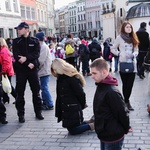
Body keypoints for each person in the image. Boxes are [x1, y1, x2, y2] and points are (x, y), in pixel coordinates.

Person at [90, 58, 130, 150]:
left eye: (94, 73)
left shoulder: (111, 91)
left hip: (112, 135)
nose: (92, 76)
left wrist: (126, 128)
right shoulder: (101, 85)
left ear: (104, 72)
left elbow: (122, 113)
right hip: (104, 132)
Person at [51, 58, 94, 135]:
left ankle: (94, 126)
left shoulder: (71, 78)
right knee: (73, 128)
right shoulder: (61, 78)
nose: (54, 71)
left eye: (55, 69)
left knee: (73, 130)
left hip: (73, 107)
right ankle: (91, 122)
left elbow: (81, 94)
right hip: (67, 108)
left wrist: (81, 105)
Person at [13, 22, 44, 123]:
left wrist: (27, 59)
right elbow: (16, 56)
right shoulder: (16, 41)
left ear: (26, 29)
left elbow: (36, 54)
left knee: (36, 92)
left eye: (20, 29)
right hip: (21, 70)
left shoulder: (34, 41)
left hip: (32, 70)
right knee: (20, 93)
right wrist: (28, 63)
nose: (18, 30)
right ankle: (21, 114)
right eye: (17, 29)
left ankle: (38, 112)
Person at [111, 21, 139, 111]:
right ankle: (126, 102)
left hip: (131, 64)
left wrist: (133, 55)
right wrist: (119, 53)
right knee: (125, 84)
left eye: (130, 27)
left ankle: (126, 101)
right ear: (123, 28)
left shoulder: (133, 37)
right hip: (123, 63)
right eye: (127, 27)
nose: (129, 29)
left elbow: (136, 50)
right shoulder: (119, 38)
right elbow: (113, 48)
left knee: (130, 85)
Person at [35, 32, 54, 110]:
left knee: (44, 88)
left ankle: (49, 104)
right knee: (43, 87)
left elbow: (40, 60)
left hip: (44, 70)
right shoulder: (41, 46)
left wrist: (35, 67)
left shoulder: (43, 47)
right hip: (43, 70)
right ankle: (45, 102)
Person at [0, 38, 16, 104]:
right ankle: (5, 98)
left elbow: (6, 62)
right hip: (6, 70)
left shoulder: (3, 51)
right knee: (4, 85)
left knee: (7, 85)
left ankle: (16, 97)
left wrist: (3, 71)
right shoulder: (3, 50)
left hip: (6, 71)